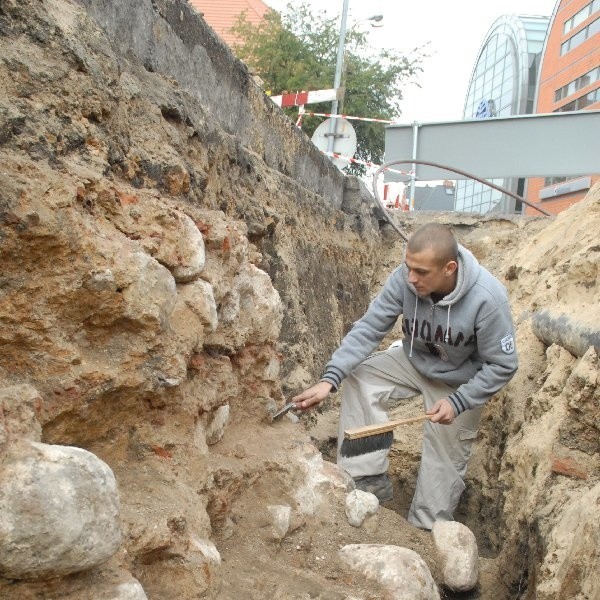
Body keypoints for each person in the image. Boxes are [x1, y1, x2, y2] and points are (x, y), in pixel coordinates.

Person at [291, 223, 518, 529]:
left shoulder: (488, 299)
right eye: (408, 267)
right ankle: (366, 479)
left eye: (421, 272)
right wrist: (330, 379)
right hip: (415, 360)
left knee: (443, 463)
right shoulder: (405, 278)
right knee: (361, 376)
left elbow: (503, 365)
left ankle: (425, 531)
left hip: (461, 382)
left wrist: (459, 401)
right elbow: (370, 327)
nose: (411, 278)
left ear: (449, 268)